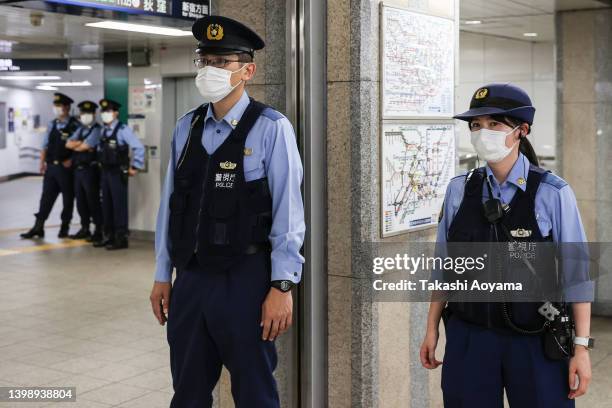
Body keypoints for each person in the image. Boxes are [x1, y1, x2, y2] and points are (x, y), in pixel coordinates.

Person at [149, 15, 305, 408]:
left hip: (246, 281)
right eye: (204, 60)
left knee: (254, 392)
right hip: (191, 279)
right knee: (187, 390)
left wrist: (282, 286)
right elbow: (171, 206)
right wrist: (161, 275)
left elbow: (289, 213)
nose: (210, 70)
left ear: (247, 70)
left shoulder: (271, 128)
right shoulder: (186, 128)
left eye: (222, 62)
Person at [420, 83, 594, 407]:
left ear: (521, 131)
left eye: (494, 124)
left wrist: (581, 348)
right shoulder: (460, 191)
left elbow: (577, 277)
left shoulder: (552, 193)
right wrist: (431, 328)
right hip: (469, 338)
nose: (482, 133)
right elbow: (444, 268)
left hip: (535, 338)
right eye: (476, 126)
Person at [21, 92, 80, 239]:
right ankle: (38, 226)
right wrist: (42, 162)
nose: (56, 108)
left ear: (67, 107)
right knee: (46, 198)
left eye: (59, 105)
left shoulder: (75, 126)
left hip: (66, 169)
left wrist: (72, 159)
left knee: (68, 199)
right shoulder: (52, 124)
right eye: (55, 105)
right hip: (51, 168)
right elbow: (45, 145)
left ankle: (64, 227)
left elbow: (80, 147)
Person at [94, 99, 144, 250]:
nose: (105, 114)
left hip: (117, 173)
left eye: (108, 111)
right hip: (105, 172)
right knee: (106, 205)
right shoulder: (103, 130)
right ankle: (108, 236)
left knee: (118, 206)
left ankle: (121, 238)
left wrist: (135, 166)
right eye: (103, 112)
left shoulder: (123, 129)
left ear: (115, 113)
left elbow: (139, 147)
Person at [65, 101, 103, 241]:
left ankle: (99, 229)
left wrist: (80, 145)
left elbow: (84, 147)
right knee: (80, 201)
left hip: (90, 170)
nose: (85, 116)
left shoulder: (97, 129)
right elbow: (68, 143)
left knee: (93, 201)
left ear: (94, 114)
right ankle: (85, 227)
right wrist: (80, 145)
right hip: (78, 171)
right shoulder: (81, 129)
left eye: (88, 113)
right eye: (82, 113)